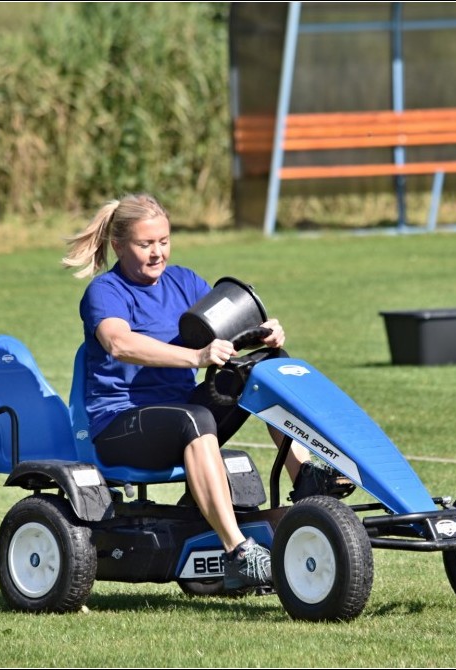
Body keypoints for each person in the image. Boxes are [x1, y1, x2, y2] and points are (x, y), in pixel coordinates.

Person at [62, 193, 350, 591]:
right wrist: (195, 357)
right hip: (120, 427)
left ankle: (304, 479)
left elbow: (229, 330)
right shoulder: (107, 291)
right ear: (118, 246)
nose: (157, 253)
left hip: (180, 418)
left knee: (263, 370)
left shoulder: (183, 281)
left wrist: (265, 335)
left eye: (163, 241)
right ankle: (237, 553)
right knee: (193, 419)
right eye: (145, 244)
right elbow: (119, 344)